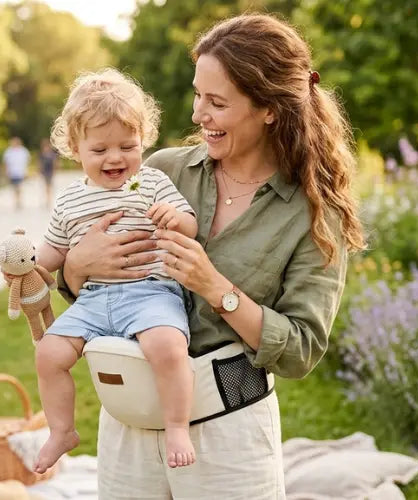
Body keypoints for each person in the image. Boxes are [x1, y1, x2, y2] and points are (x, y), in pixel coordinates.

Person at [55, 14, 365, 499]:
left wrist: (216, 288)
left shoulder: (311, 212)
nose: (199, 114)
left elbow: (302, 349)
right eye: (198, 95)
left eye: (217, 102)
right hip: (130, 427)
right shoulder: (160, 171)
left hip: (230, 436)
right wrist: (77, 266)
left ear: (267, 109)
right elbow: (89, 289)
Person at [30, 68, 199, 473]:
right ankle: (61, 430)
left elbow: (191, 225)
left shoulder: (152, 182)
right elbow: (53, 250)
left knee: (169, 347)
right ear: (75, 147)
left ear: (143, 141)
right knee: (49, 354)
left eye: (128, 146)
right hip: (93, 299)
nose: (116, 158)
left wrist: (174, 218)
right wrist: (28, 267)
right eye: (100, 149)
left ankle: (177, 426)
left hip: (151, 293)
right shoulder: (70, 200)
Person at [2, 137, 30, 210]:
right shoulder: (8, 151)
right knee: (14, 187)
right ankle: (16, 201)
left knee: (19, 187)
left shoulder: (23, 151)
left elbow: (26, 162)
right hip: (12, 172)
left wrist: (26, 171)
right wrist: (7, 171)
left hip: (21, 172)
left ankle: (19, 201)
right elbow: (6, 163)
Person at [39, 139, 59, 208]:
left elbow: (55, 163)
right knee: (46, 186)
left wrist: (54, 171)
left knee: (49, 186)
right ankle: (47, 200)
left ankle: (49, 200)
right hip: (44, 172)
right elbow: (40, 163)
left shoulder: (52, 154)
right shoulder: (42, 154)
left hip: (50, 172)